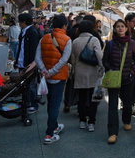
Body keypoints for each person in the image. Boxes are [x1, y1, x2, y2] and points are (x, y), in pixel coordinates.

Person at [35, 14, 72, 144]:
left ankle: (54, 126)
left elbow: (37, 57)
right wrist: (51, 72)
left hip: (46, 77)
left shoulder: (44, 38)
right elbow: (64, 60)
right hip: (58, 77)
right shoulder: (67, 40)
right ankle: (49, 134)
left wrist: (44, 71)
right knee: (55, 105)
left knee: (51, 103)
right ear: (64, 26)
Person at [102, 19, 135, 144]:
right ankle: (112, 132)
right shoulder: (110, 44)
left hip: (127, 79)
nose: (120, 28)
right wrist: (109, 70)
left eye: (122, 26)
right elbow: (104, 60)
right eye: (118, 26)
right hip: (113, 79)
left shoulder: (132, 43)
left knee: (127, 104)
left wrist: (132, 72)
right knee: (112, 105)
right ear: (115, 29)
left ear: (126, 29)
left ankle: (127, 120)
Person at [71, 20, 104, 132]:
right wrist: (102, 68)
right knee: (93, 98)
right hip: (92, 73)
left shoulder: (75, 41)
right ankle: (91, 122)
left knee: (81, 98)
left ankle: (82, 121)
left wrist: (75, 71)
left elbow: (73, 59)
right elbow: (99, 56)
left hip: (80, 73)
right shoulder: (94, 40)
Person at [14, 13, 40, 114]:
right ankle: (26, 102)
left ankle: (33, 104)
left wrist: (31, 65)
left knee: (31, 85)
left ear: (24, 22)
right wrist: (17, 62)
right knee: (24, 85)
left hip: (29, 64)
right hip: (22, 63)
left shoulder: (32, 32)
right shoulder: (24, 31)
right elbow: (21, 48)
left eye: (20, 21)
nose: (19, 24)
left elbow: (33, 50)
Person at [125, 12, 135, 115]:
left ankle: (131, 105)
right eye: (133, 22)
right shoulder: (121, 32)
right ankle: (125, 103)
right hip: (124, 64)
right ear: (127, 21)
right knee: (126, 86)